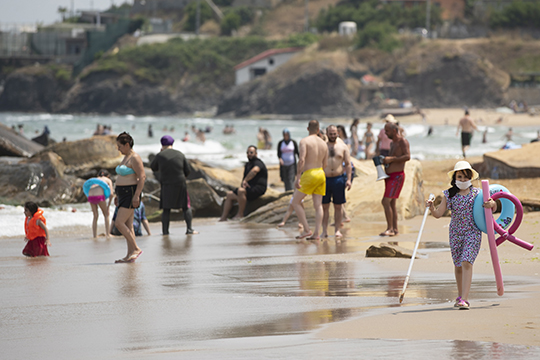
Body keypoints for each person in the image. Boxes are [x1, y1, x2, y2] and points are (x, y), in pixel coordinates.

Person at [426, 161, 496, 309]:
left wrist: (492, 204)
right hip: (455, 233)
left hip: (473, 232)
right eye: (460, 177)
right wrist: (432, 207)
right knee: (458, 265)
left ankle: (465, 298)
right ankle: (460, 296)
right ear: (455, 178)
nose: (463, 180)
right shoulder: (449, 194)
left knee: (466, 262)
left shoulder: (478, 193)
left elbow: (492, 206)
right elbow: (438, 214)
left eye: (465, 177)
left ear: (470, 178)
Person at [150, 135, 198, 235]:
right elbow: (187, 170)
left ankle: (165, 232)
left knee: (166, 209)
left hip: (166, 184)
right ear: (172, 144)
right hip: (180, 183)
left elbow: (153, 167)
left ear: (162, 145)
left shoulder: (160, 155)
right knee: (185, 206)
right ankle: (189, 229)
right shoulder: (180, 154)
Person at [291, 120, 328, 240]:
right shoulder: (323, 144)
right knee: (318, 205)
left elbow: (301, 160)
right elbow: (325, 163)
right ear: (318, 130)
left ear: (308, 129)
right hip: (321, 173)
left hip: (309, 173)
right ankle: (317, 233)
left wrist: (298, 177)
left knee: (295, 202)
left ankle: (306, 230)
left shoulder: (304, 141)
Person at [114, 132, 145, 263]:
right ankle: (129, 254)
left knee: (118, 223)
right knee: (128, 225)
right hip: (122, 194)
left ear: (127, 145)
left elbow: (142, 176)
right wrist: (117, 195)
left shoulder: (135, 157)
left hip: (130, 193)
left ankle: (136, 248)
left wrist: (137, 195)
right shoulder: (126, 157)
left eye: (120, 146)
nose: (118, 149)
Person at [219, 146, 268, 221]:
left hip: (258, 188)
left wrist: (245, 180)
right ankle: (223, 217)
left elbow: (255, 170)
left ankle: (240, 214)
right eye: (248, 152)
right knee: (229, 194)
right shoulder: (247, 165)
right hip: (249, 189)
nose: (249, 154)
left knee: (241, 191)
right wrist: (243, 184)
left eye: (251, 152)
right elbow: (244, 180)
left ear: (256, 154)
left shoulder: (258, 162)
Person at [321, 125, 352, 239]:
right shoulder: (323, 146)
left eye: (334, 134)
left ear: (337, 133)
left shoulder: (343, 147)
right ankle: (324, 230)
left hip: (339, 178)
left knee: (338, 206)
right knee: (325, 206)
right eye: (330, 134)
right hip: (325, 179)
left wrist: (348, 179)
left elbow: (348, 164)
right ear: (327, 134)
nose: (333, 136)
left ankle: (337, 230)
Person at [380, 122, 410, 237]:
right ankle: (395, 229)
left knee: (385, 201)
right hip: (389, 176)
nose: (385, 134)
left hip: (397, 177)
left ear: (393, 131)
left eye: (387, 131)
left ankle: (390, 229)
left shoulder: (403, 141)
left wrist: (391, 159)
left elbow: (407, 156)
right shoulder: (392, 143)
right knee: (392, 203)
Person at [83, 169, 114, 239]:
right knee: (106, 214)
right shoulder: (108, 180)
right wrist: (108, 206)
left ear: (98, 175)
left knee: (95, 216)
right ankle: (108, 234)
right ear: (108, 176)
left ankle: (94, 235)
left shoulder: (95, 180)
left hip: (90, 195)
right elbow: (111, 194)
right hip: (99, 195)